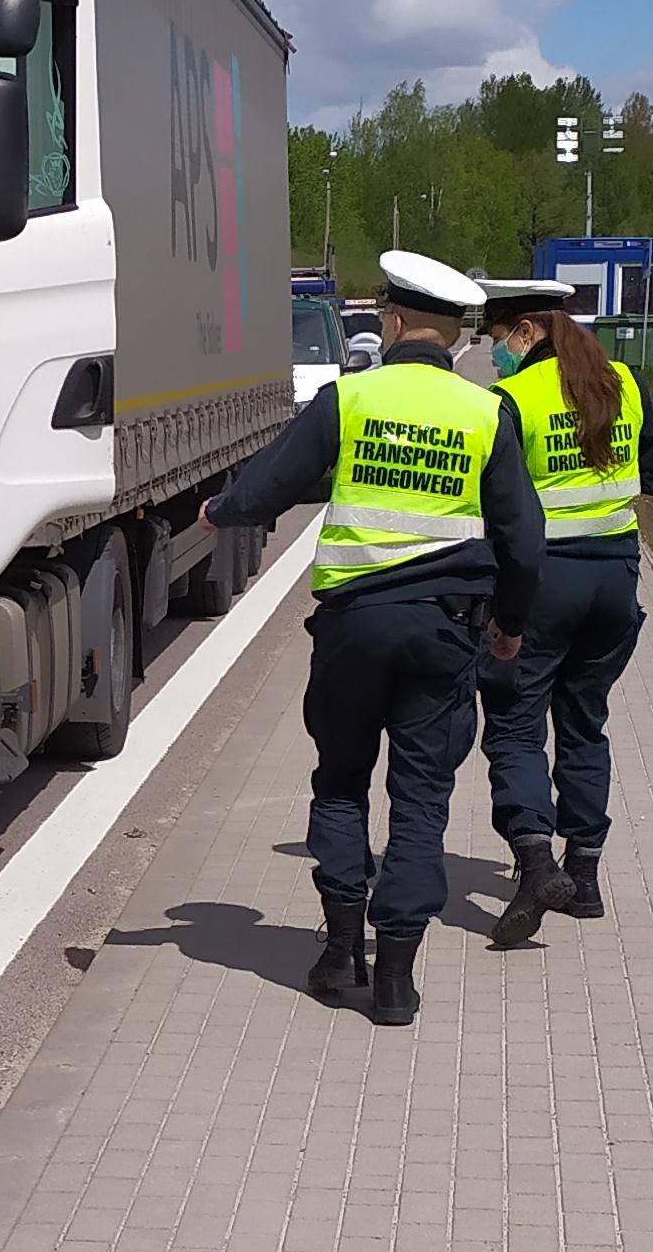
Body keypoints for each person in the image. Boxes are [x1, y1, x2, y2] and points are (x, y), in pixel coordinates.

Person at [206, 249, 542, 1025]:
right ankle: (395, 978)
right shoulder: (484, 413)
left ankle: (338, 950)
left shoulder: (350, 397)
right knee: (421, 801)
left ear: (391, 323)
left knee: (341, 782)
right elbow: (523, 540)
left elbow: (271, 482)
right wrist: (510, 627)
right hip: (444, 634)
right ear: (456, 336)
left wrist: (220, 511)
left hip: (353, 630)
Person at [475, 279, 653, 946]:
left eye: (497, 337)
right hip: (614, 578)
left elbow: (494, 501)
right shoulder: (622, 382)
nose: (495, 352)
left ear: (525, 331)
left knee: (515, 723)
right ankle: (584, 877)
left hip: (543, 583)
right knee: (585, 725)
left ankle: (537, 860)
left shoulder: (513, 398)